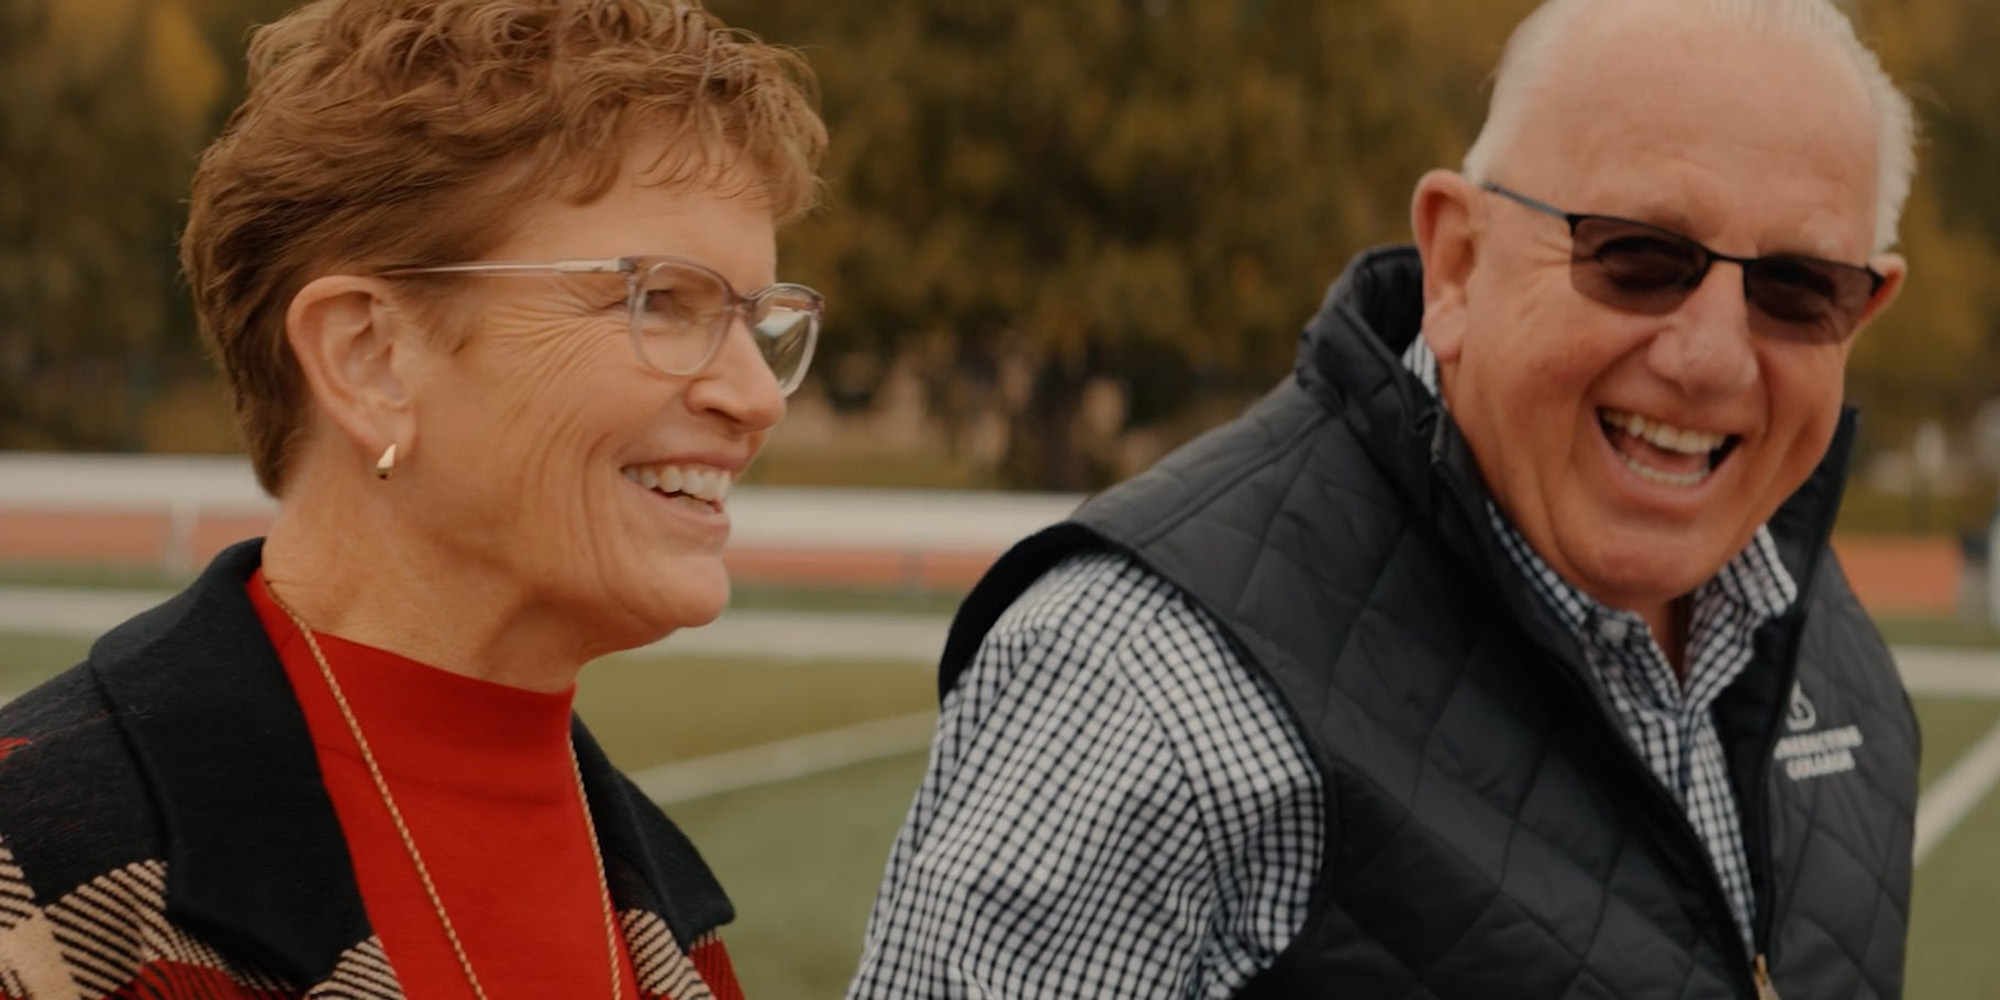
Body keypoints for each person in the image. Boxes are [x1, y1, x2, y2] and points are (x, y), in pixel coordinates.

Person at [850, 0, 1922, 996]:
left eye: (1795, 287)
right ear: (1456, 261)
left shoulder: (1799, 608)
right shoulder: (1141, 676)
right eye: (1637, 256)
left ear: (1862, 310)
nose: (1709, 357)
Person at [0, 0, 825, 996]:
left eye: (757, 321)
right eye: (658, 299)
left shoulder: (672, 923)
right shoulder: (44, 886)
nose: (750, 397)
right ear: (370, 358)